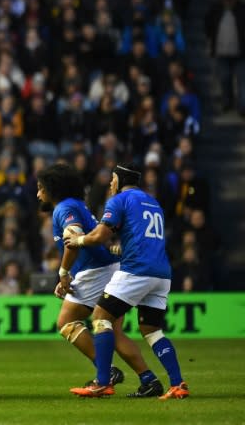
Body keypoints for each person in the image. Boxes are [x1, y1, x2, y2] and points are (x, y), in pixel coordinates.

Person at [36, 163, 164, 397]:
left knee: (66, 322)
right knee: (113, 332)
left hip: (96, 272)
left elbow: (72, 240)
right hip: (109, 268)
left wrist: (63, 274)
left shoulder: (64, 208)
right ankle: (149, 380)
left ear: (52, 189)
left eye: (40, 188)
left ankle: (106, 372)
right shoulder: (75, 204)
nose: (38, 194)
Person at [66, 164, 189, 399]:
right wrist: (122, 248)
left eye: (112, 179)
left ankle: (102, 382)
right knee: (151, 330)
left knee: (101, 318)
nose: (111, 184)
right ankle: (177, 384)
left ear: (120, 180)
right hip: (161, 274)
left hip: (137, 271)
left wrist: (79, 240)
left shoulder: (120, 199)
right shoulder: (153, 202)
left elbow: (101, 234)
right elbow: (145, 237)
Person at [204, 0, 245, 115]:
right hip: (221, 52)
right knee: (224, 79)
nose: (228, 3)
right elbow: (208, 25)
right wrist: (211, 41)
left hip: (241, 53)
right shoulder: (215, 9)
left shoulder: (242, 9)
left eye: (230, 0)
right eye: (226, 0)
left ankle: (242, 106)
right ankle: (227, 102)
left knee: (242, 81)